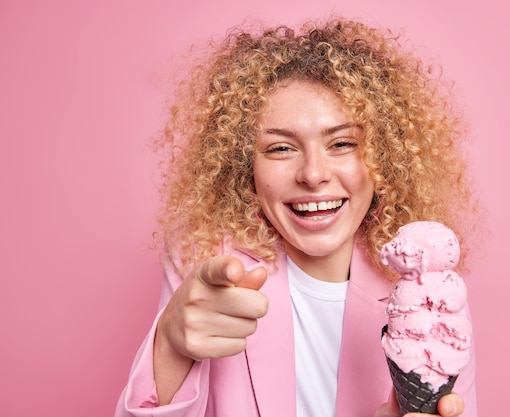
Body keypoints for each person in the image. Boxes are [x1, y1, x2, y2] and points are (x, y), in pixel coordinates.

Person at [115, 17, 479, 417]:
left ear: (385, 157)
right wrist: (169, 344)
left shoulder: (426, 292)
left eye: (342, 143)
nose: (313, 174)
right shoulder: (202, 260)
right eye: (280, 149)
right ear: (244, 166)